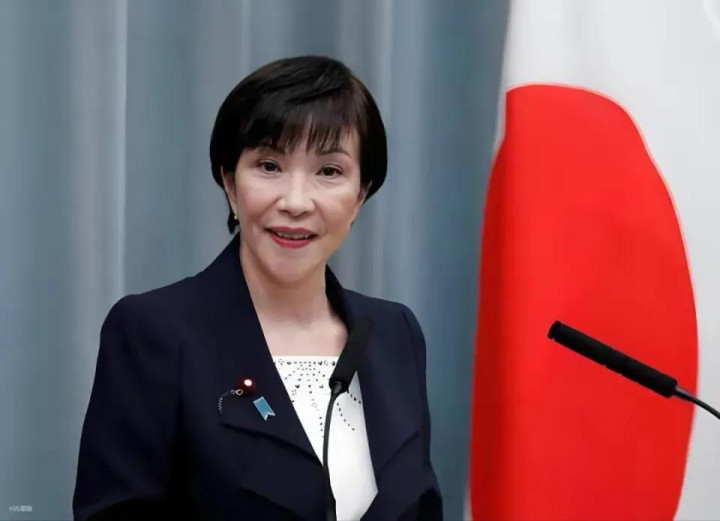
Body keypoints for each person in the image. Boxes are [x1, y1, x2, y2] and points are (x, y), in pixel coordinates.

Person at [73, 56, 442, 521]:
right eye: (269, 166)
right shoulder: (155, 334)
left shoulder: (394, 334)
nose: (296, 202)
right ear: (230, 183)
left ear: (360, 195)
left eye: (329, 171)